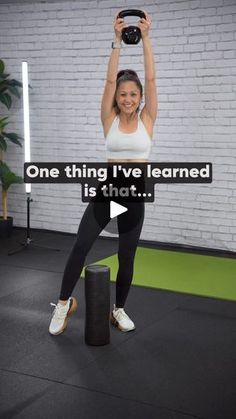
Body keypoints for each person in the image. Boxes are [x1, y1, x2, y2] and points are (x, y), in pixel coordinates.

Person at [49, 11, 157, 335]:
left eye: (132, 94)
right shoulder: (108, 120)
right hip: (110, 191)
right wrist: (117, 41)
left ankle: (118, 309)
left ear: (140, 99)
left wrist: (146, 38)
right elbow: (109, 80)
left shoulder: (147, 119)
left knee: (126, 257)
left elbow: (151, 80)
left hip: (135, 193)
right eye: (122, 94)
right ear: (117, 98)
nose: (127, 98)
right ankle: (64, 303)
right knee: (81, 245)